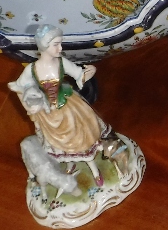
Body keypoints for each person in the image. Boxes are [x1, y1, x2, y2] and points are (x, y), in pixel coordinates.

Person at [8, 25, 111, 187]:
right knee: (61, 144)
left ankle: (95, 170)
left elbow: (79, 74)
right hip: (48, 113)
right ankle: (70, 164)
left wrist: (90, 71)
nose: (60, 48)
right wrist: (30, 110)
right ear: (44, 46)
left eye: (60, 43)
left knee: (82, 139)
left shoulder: (61, 62)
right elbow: (19, 88)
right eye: (56, 44)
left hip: (69, 106)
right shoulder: (32, 69)